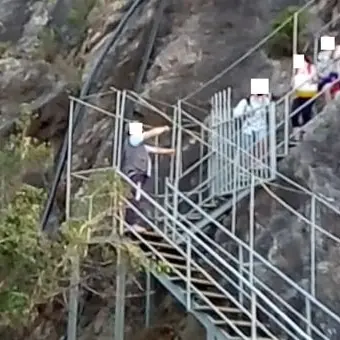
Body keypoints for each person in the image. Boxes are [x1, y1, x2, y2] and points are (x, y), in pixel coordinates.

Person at [122, 121, 175, 232]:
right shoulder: (133, 140)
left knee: (137, 196)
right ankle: (130, 224)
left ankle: (130, 223)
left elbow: (154, 150)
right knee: (135, 197)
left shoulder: (138, 145)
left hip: (139, 175)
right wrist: (164, 128)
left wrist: (169, 151)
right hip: (136, 173)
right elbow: (150, 134)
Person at [233, 94, 271, 170]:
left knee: (262, 146)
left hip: (261, 127)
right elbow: (236, 114)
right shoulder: (245, 102)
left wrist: (267, 99)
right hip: (248, 128)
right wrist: (245, 113)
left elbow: (270, 108)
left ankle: (259, 163)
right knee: (248, 147)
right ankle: (248, 165)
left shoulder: (265, 100)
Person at [291, 55, 318, 141]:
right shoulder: (297, 71)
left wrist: (307, 75)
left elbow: (315, 79)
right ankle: (296, 136)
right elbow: (293, 84)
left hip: (309, 94)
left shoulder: (311, 68)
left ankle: (306, 135)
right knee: (294, 114)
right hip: (298, 94)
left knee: (306, 114)